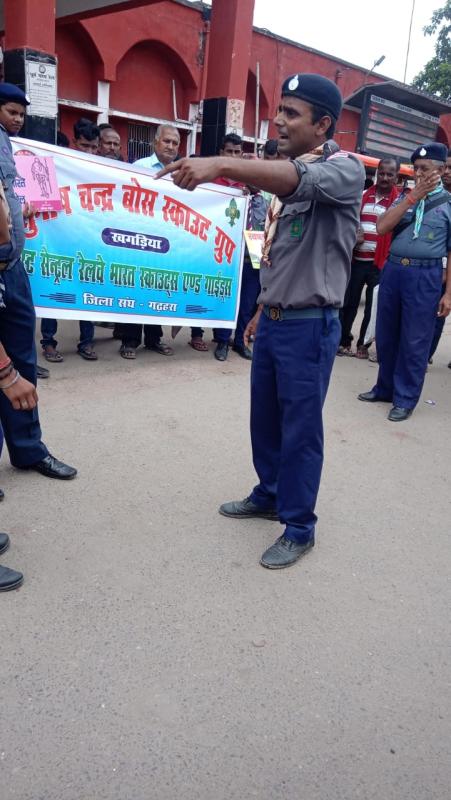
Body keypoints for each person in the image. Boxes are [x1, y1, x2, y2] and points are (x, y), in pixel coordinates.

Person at [158, 73, 364, 569]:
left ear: (323, 124)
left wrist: (221, 164)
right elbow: (282, 253)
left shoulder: (345, 169)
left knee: (300, 429)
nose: (279, 121)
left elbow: (296, 181)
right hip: (275, 319)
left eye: (292, 113)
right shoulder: (290, 168)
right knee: (265, 421)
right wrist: (259, 310)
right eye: (280, 110)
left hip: (310, 325)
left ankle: (299, 526)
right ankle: (269, 493)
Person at [0, 86, 76, 480]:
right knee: (2, 368)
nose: (18, 119)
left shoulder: (7, 145)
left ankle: (29, 450)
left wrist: (18, 208)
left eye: (21, 114)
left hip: (12, 266)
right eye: (11, 111)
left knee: (23, 359)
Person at [358, 142, 451, 421]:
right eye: (417, 170)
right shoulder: (404, 198)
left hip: (425, 276)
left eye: (427, 170)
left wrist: (448, 294)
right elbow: (383, 226)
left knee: (415, 340)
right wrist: (413, 198)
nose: (420, 175)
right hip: (395, 271)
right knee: (386, 334)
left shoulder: (448, 205)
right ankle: (384, 388)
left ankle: (405, 398)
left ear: (442, 170)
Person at [117, 124, 187, 357]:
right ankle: (129, 341)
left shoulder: (182, 173)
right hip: (140, 238)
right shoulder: (140, 168)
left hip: (167, 241)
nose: (170, 146)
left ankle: (154, 339)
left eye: (175, 143)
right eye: (166, 141)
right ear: (155, 143)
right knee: (135, 289)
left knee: (158, 289)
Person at [40, 118, 100, 362]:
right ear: (74, 142)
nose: (89, 151)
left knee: (88, 290)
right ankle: (48, 342)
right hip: (60, 237)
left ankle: (86, 342)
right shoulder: (58, 166)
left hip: (90, 239)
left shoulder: (104, 169)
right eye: (84, 146)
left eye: (94, 147)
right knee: (53, 287)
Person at [338, 157, 400, 358]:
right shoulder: (363, 196)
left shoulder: (400, 203)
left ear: (396, 178)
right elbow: (350, 221)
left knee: (372, 309)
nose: (384, 177)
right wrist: (354, 232)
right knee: (349, 303)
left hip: (380, 265)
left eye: (390, 174)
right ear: (376, 173)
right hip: (357, 260)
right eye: (381, 172)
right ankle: (343, 341)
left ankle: (363, 345)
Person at [212, 133, 246, 361]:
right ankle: (222, 341)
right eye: (229, 151)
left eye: (237, 152)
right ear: (221, 153)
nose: (233, 156)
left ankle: (240, 340)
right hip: (220, 248)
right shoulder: (211, 182)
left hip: (249, 249)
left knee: (247, 297)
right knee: (224, 294)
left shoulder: (251, 182)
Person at [233, 187, 269, 359]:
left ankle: (241, 342)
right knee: (227, 302)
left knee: (247, 305)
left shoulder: (266, 204)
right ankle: (222, 342)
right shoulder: (231, 196)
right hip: (230, 260)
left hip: (253, 262)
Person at [428, 148, 451, 365]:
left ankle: (425, 355)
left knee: (438, 313)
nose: (448, 172)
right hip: (426, 267)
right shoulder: (431, 193)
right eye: (446, 167)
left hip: (446, 270)